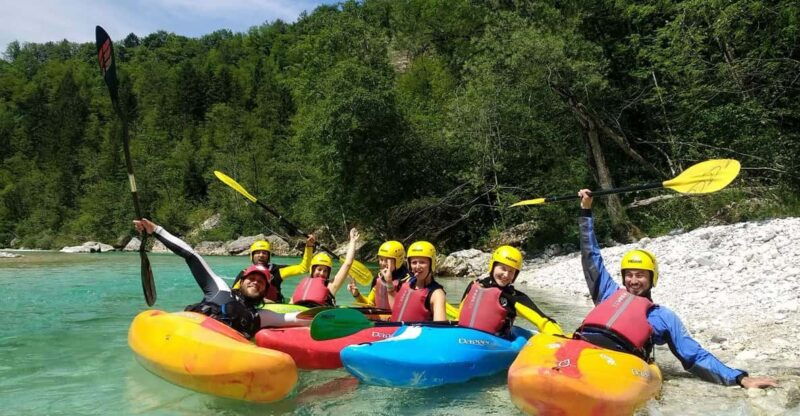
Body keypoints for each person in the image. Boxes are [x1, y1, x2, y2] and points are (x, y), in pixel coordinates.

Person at [574, 189, 777, 389]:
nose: (633, 281)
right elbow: (590, 256)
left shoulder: (663, 317)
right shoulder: (608, 293)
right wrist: (585, 211)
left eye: (641, 275)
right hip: (585, 350)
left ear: (652, 278)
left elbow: (693, 354)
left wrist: (740, 379)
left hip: (620, 365)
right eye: (629, 274)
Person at [133, 218, 306, 338]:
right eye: (252, 278)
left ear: (265, 291)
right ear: (242, 280)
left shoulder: (260, 316)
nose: (256, 282)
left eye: (261, 282)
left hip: (220, 351)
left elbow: (294, 318)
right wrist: (156, 230)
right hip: (188, 333)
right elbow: (192, 256)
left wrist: (328, 320)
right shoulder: (220, 289)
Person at [458, 245, 563, 337]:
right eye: (503, 268)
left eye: (511, 271)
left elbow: (542, 320)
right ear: (492, 266)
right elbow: (460, 313)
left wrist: (559, 337)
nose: (506, 275)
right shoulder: (474, 285)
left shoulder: (514, 297)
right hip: (463, 336)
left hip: (496, 343)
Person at [232, 235, 316, 303]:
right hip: (252, 304)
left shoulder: (277, 270)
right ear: (252, 256)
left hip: (274, 306)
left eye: (264, 253)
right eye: (257, 252)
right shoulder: (245, 273)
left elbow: (303, 268)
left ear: (268, 257)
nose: (261, 255)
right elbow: (234, 292)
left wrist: (309, 246)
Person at [290, 228, 360, 307]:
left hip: (318, 314)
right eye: (319, 269)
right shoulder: (304, 285)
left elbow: (347, 263)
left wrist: (353, 241)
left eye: (325, 271)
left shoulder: (331, 286)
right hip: (297, 313)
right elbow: (291, 304)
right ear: (312, 270)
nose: (322, 273)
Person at [388, 241, 447, 321]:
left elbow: (440, 328)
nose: (417, 266)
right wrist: (388, 281)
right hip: (397, 331)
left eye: (422, 262)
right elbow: (395, 310)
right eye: (414, 262)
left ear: (431, 264)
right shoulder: (406, 285)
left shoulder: (437, 294)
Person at [347, 240, 412, 309]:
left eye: (387, 260)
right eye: (381, 259)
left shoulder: (408, 281)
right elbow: (370, 304)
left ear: (398, 260)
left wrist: (389, 283)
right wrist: (356, 294)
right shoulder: (378, 278)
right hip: (381, 319)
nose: (383, 263)